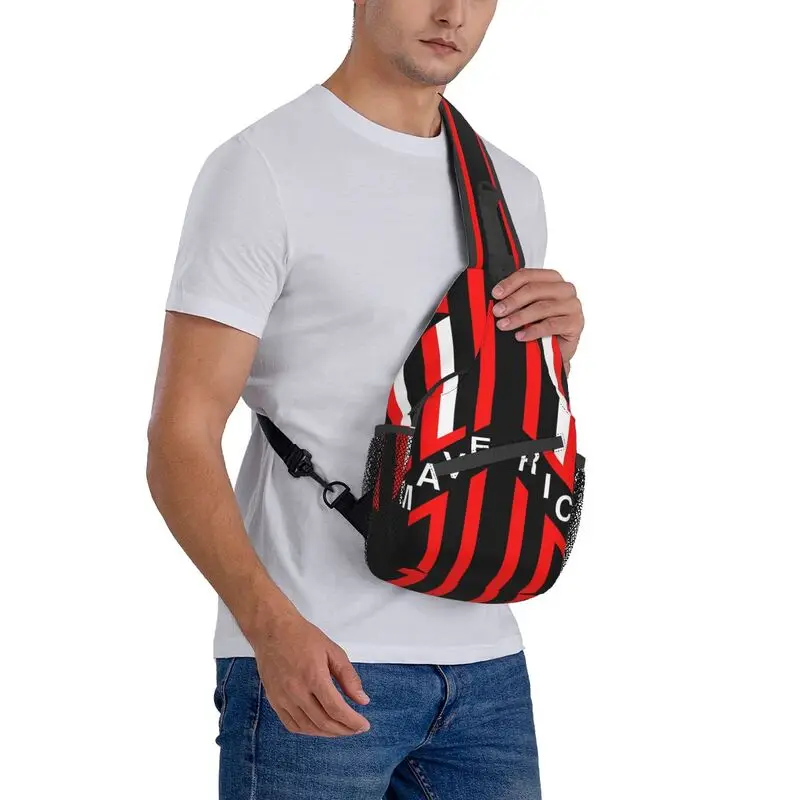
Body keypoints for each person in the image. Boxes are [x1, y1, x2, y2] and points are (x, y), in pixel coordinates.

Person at [146, 1, 584, 797]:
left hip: (487, 664)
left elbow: (478, 410)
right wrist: (270, 629)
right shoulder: (263, 169)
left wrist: (554, 348)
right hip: (318, 656)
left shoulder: (510, 188)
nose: (453, 13)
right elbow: (180, 437)